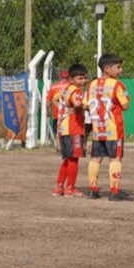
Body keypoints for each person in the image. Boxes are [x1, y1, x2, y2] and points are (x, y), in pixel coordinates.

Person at [85, 53, 132, 201]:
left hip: (98, 130)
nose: (121, 70)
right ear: (107, 69)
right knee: (115, 159)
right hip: (114, 130)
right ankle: (114, 191)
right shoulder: (117, 84)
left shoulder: (92, 84)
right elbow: (125, 105)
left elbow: (86, 105)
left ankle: (92, 190)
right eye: (118, 67)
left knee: (95, 159)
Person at [53, 64, 89, 197]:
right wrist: (85, 107)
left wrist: (63, 110)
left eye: (85, 78)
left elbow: (54, 99)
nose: (83, 81)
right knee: (74, 159)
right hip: (73, 127)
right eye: (80, 78)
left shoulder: (65, 89)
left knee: (68, 159)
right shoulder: (77, 91)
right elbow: (78, 104)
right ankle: (70, 188)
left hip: (63, 127)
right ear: (72, 79)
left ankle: (59, 187)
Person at [46, 69, 70, 149]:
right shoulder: (70, 86)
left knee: (57, 131)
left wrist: (47, 111)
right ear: (69, 77)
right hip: (68, 113)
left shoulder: (53, 86)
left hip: (57, 113)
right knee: (68, 131)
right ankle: (67, 147)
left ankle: (59, 147)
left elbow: (48, 101)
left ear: (60, 77)